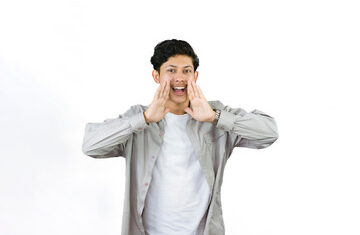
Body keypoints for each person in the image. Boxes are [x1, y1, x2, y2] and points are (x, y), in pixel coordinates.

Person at [82, 39, 279, 235]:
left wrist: (213, 117)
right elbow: (90, 145)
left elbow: (269, 133)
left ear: (196, 75)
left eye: (186, 71)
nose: (180, 78)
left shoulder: (215, 113)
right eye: (171, 70)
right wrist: (144, 119)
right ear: (156, 75)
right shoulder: (139, 117)